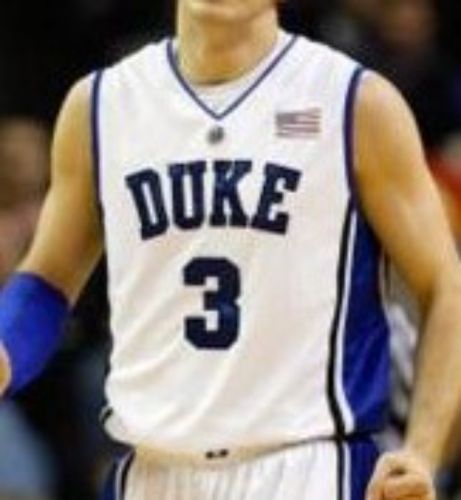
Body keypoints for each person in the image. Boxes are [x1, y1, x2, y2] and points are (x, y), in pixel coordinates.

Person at [0, 0, 460, 498]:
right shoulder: (100, 106)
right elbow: (47, 280)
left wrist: (422, 450)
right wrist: (6, 346)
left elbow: (445, 285)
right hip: (150, 471)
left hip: (307, 469)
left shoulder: (355, 103)